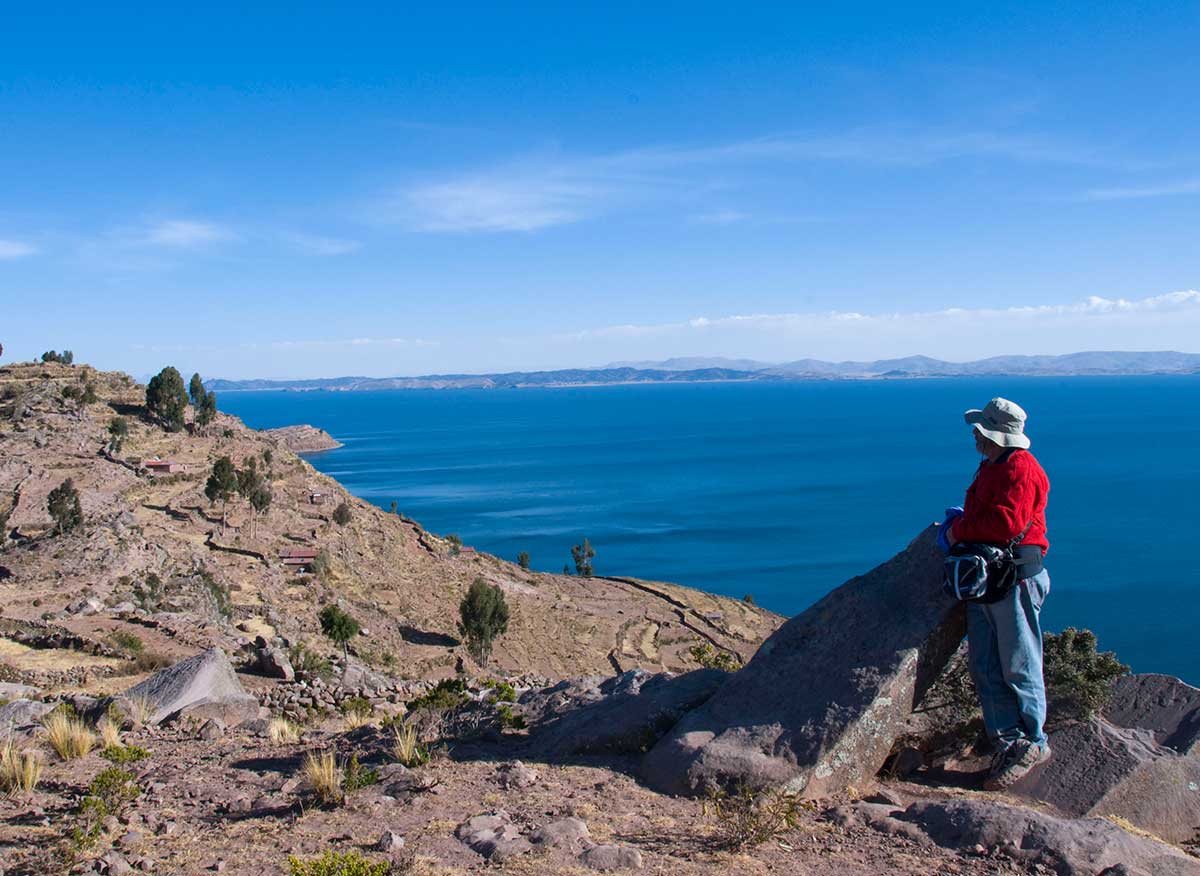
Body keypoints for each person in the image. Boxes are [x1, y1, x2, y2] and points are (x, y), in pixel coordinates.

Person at [945, 397, 1052, 790]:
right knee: (987, 663)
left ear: (994, 434)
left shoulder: (1021, 470)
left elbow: (1005, 524)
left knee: (1018, 662)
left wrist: (958, 531)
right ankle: (1007, 742)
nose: (975, 436)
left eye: (980, 430)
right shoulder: (995, 465)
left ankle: (1032, 742)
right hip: (991, 579)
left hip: (1013, 578)